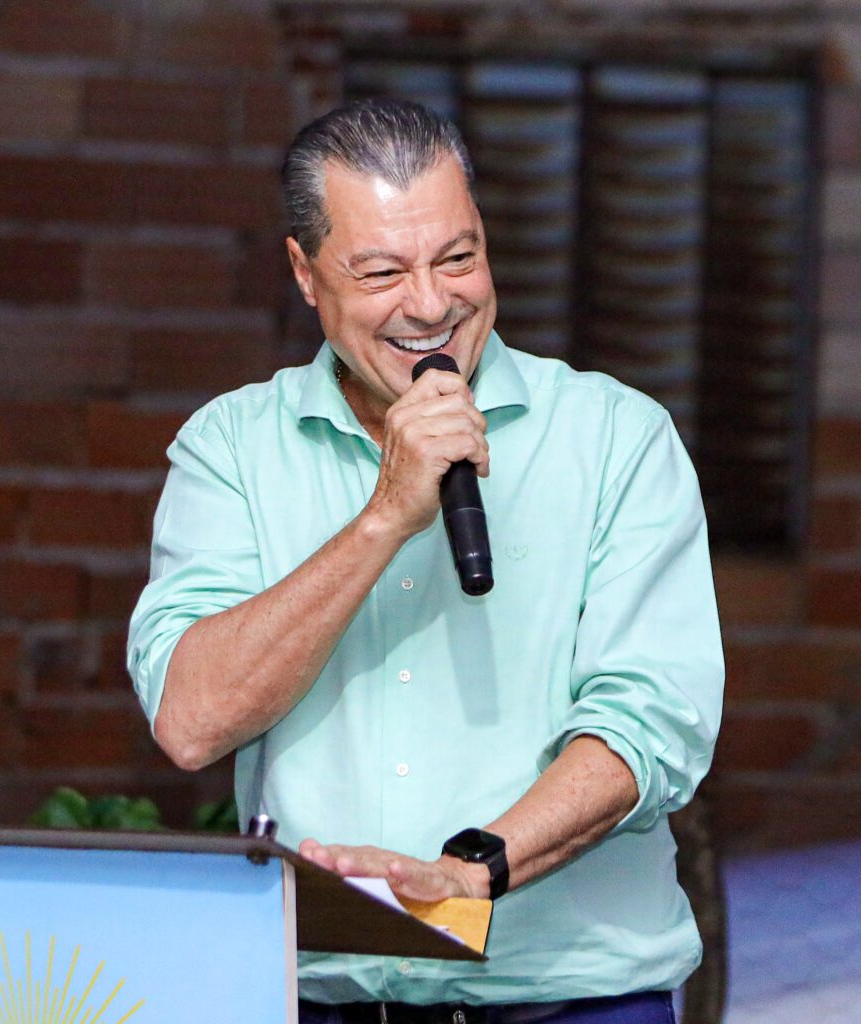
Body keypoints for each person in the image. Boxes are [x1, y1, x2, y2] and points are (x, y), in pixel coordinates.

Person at [128, 98, 723, 1023]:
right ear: (305, 273)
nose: (432, 304)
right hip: (321, 1001)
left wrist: (472, 872)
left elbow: (650, 723)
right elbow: (191, 721)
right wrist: (383, 519)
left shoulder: (617, 437)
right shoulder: (231, 447)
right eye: (382, 272)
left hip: (571, 1002)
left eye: (458, 258)